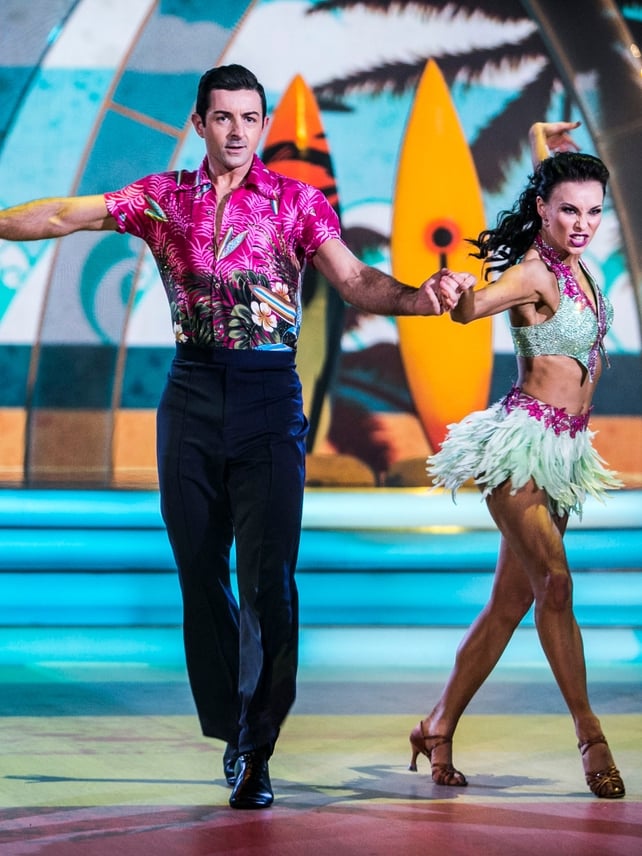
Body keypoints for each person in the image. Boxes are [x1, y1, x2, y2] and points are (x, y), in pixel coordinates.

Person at [0, 64, 471, 809]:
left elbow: (354, 282)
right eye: (224, 118)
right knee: (199, 572)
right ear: (200, 124)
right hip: (190, 395)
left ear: (261, 125)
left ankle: (257, 748)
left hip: (267, 397)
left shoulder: (297, 203)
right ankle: (230, 724)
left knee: (269, 582)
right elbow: (62, 216)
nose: (239, 131)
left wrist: (421, 297)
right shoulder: (162, 198)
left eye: (251, 118)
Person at [410, 133, 626, 799]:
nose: (582, 225)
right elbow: (474, 308)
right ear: (542, 209)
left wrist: (553, 146)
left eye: (592, 212)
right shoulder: (534, 272)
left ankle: (437, 725)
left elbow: (554, 168)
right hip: (520, 449)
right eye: (568, 212)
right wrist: (455, 288)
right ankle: (591, 737)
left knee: (510, 605)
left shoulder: (582, 265)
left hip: (565, 453)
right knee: (555, 586)